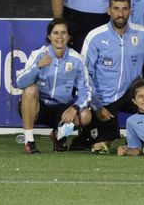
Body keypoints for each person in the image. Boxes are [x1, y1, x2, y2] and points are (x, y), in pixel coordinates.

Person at [80, 0, 144, 153]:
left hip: (132, 95)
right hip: (104, 100)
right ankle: (98, 136)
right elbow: (84, 75)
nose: (120, 13)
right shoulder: (95, 37)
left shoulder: (143, 34)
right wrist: (97, 105)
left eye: (124, 9)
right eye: (116, 8)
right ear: (109, 10)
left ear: (130, 10)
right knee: (98, 146)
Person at [16, 18, 93, 154]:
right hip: (38, 108)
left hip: (62, 110)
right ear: (49, 36)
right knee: (30, 89)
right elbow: (20, 83)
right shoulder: (38, 55)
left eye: (63, 33)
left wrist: (75, 107)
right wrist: (38, 66)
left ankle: (59, 136)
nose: (60, 37)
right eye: (56, 33)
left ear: (69, 37)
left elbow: (86, 91)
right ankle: (29, 142)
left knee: (86, 115)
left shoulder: (77, 60)